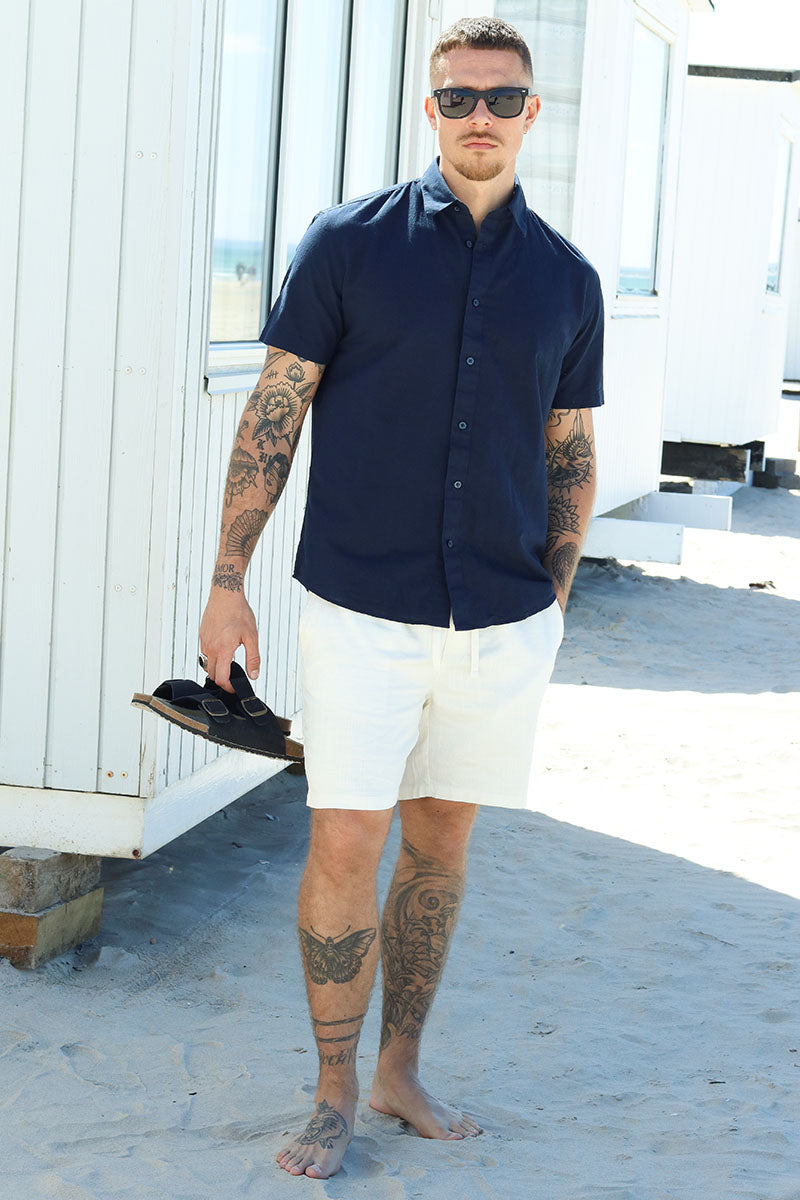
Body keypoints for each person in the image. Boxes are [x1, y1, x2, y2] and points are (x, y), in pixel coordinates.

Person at [199, 15, 604, 1180]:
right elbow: (272, 414)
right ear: (429, 111)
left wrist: (551, 603)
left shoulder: (567, 280)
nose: (479, 115)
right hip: (359, 611)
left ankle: (397, 1070)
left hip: (501, 623)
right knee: (346, 838)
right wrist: (227, 582)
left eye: (501, 97)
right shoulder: (346, 243)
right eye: (457, 97)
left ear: (531, 114)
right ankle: (332, 1091)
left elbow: (569, 451)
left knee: (438, 848)